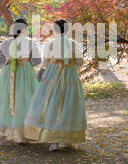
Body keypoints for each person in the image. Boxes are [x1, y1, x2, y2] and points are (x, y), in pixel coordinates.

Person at [24, 19, 86, 151]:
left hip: (52, 74)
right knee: (68, 104)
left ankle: (54, 141)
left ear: (55, 30)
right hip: (69, 74)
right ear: (68, 29)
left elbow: (45, 62)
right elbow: (80, 63)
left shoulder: (50, 43)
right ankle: (67, 139)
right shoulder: (73, 44)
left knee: (52, 103)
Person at [0, 19, 41, 143]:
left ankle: (7, 129)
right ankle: (25, 132)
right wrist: (26, 62)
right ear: (23, 30)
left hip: (7, 73)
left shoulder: (5, 43)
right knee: (25, 98)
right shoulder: (31, 43)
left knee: (6, 99)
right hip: (25, 72)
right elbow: (37, 60)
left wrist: (9, 61)